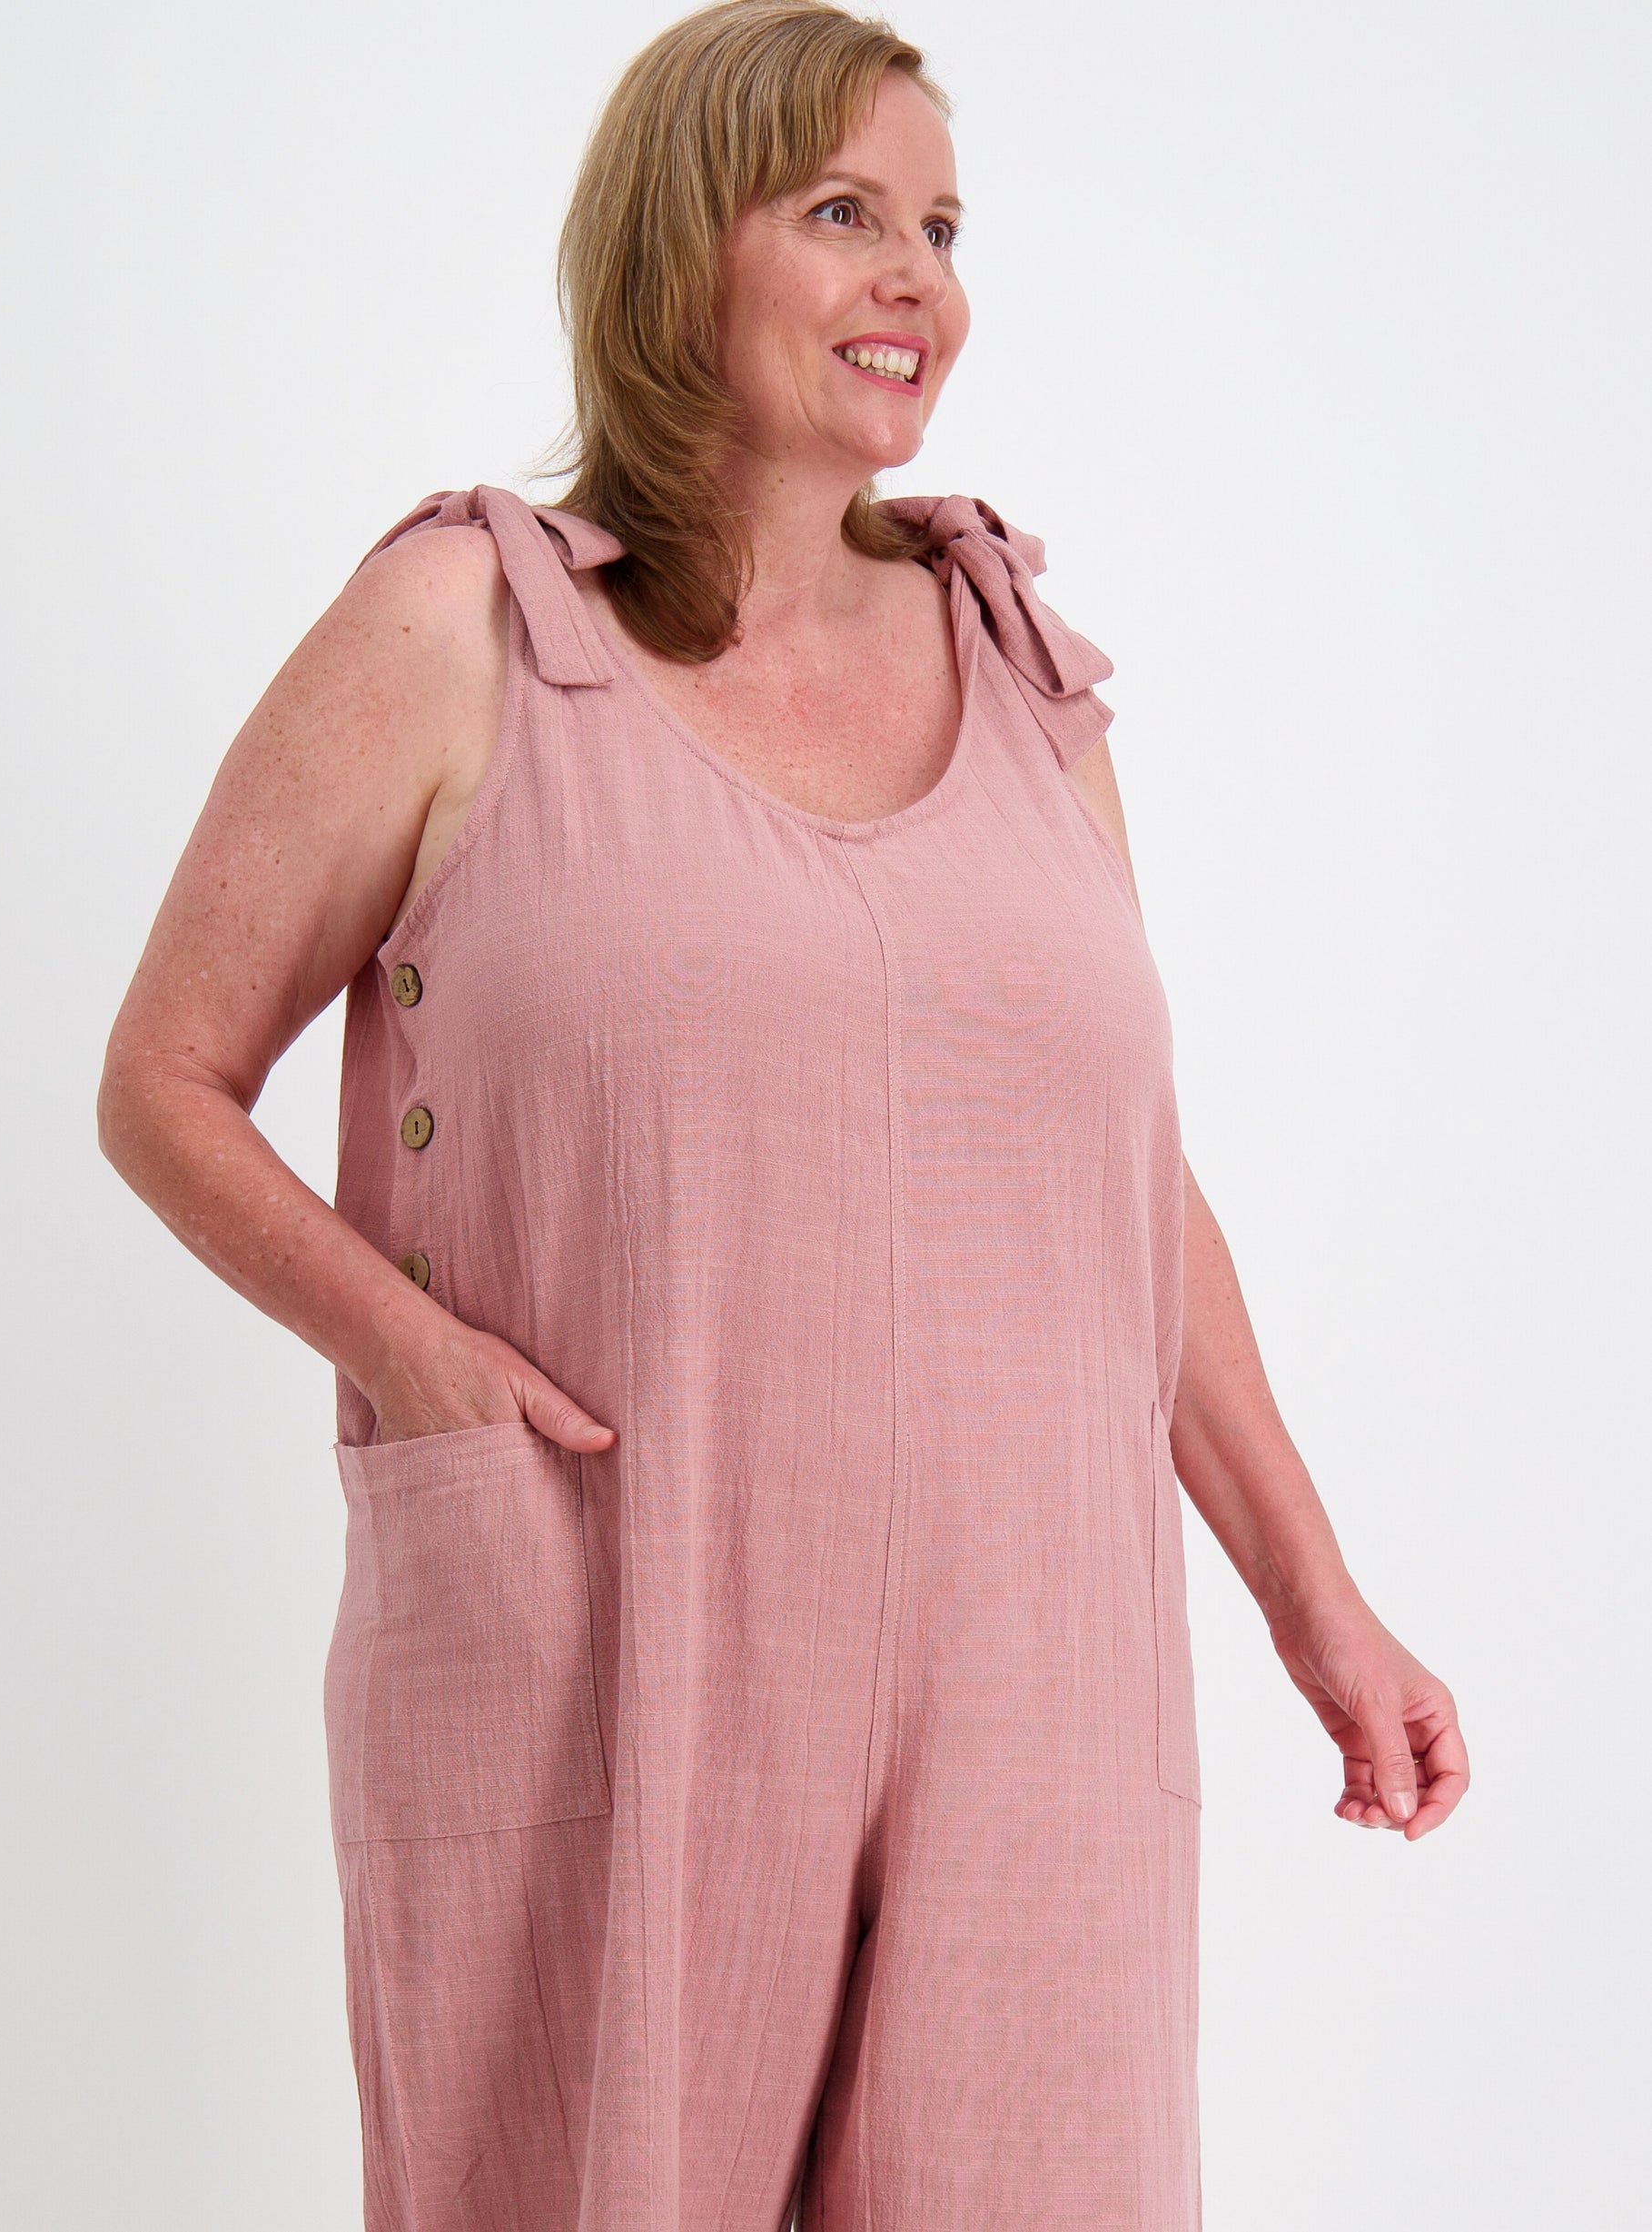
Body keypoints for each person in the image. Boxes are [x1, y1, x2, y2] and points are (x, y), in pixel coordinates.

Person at [97, 3, 1470, 2225]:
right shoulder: (462, 623)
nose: (917, 273)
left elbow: (1126, 1185)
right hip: (614, 1626)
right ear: (674, 255)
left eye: (940, 223)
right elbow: (162, 1079)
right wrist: (415, 1353)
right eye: (843, 212)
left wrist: (1320, 1598)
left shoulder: (1021, 668)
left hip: (1041, 1670)